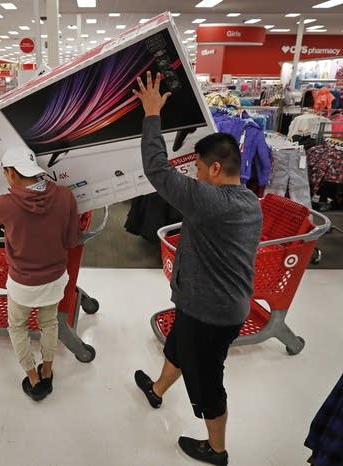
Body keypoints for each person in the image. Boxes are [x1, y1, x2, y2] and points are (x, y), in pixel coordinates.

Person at [132, 72, 262, 466]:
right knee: (177, 345)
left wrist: (152, 114)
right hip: (211, 303)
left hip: (212, 312)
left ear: (216, 169)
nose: (196, 175)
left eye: (201, 169)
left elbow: (157, 171)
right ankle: (157, 390)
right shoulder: (248, 201)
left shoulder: (211, 202)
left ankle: (216, 450)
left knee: (208, 383)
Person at [0, 148, 80, 402]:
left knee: (17, 327)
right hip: (54, 279)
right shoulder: (65, 196)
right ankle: (48, 371)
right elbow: (72, 239)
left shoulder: (5, 205)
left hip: (22, 283)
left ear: (11, 173)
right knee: (49, 323)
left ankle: (33, 379)